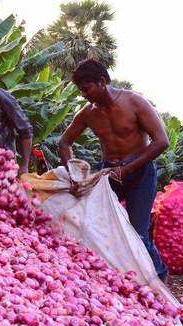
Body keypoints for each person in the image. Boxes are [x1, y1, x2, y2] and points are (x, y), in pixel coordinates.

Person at [58, 58, 170, 281]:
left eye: (86, 88)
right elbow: (64, 142)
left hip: (140, 171)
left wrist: (127, 169)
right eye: (80, 90)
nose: (84, 94)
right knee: (95, 226)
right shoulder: (88, 113)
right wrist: (72, 172)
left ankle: (159, 277)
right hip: (109, 173)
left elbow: (161, 141)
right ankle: (112, 278)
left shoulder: (135, 102)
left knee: (138, 233)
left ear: (102, 82)